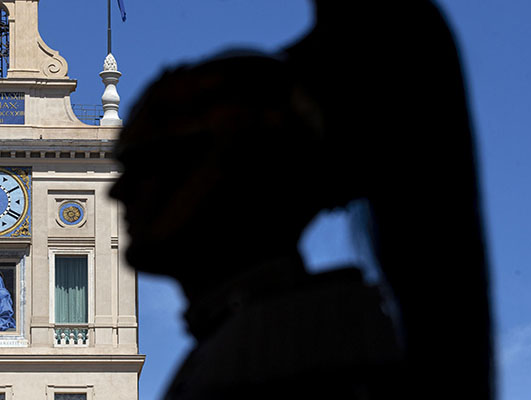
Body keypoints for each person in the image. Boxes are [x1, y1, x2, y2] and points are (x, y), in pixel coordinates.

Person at [110, 1, 492, 399]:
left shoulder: (272, 355)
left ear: (243, 168)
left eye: (151, 162)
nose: (118, 191)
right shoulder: (270, 340)